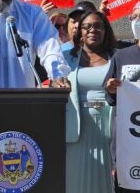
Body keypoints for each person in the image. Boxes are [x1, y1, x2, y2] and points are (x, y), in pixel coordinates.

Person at [63, 10, 117, 193]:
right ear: (80, 32)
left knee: (107, 182)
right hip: (77, 128)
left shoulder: (118, 57)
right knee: (76, 181)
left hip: (109, 127)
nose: (93, 30)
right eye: (87, 27)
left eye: (98, 26)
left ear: (105, 30)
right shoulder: (67, 58)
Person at [105, 2, 140, 193]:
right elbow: (111, 98)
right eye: (134, 17)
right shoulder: (121, 56)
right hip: (129, 144)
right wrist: (110, 89)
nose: (137, 21)